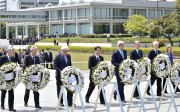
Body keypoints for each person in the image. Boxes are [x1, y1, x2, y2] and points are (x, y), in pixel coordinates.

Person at [0, 47, 16, 111]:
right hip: (4, 79)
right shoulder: (3, 58)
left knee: (11, 93)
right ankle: (2, 105)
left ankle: (11, 107)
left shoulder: (13, 58)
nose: (13, 53)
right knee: (3, 92)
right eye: (13, 52)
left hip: (11, 79)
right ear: (9, 52)